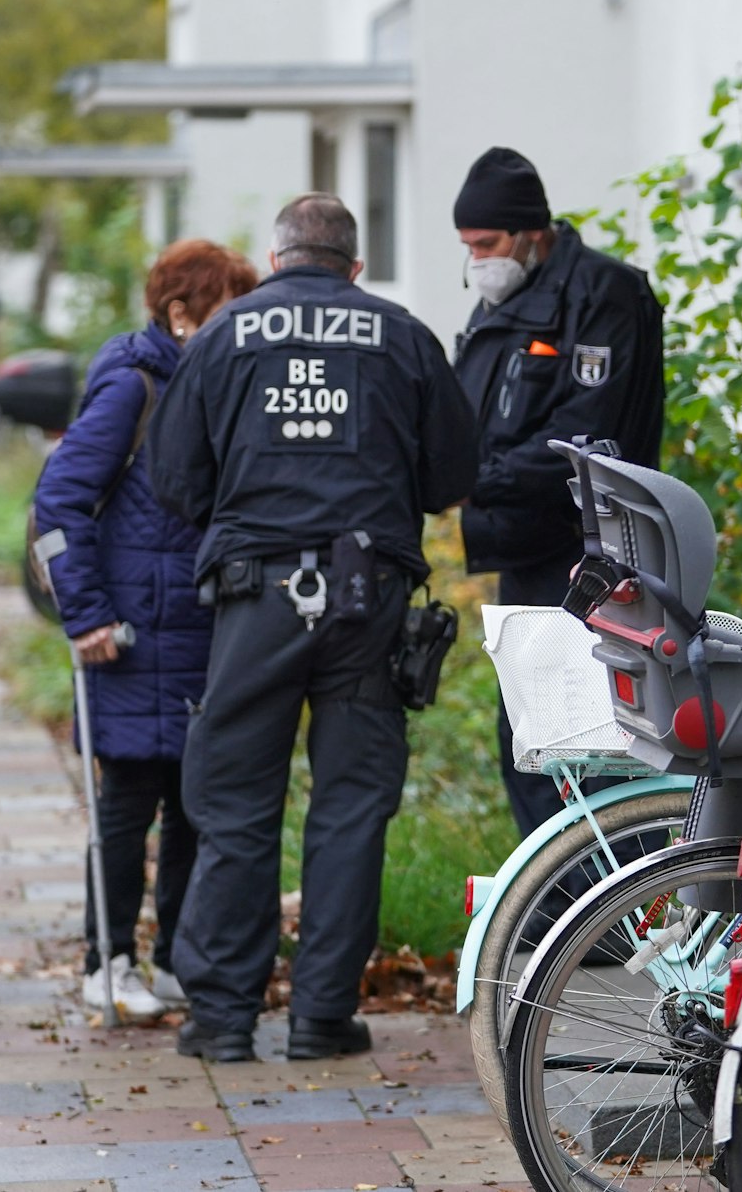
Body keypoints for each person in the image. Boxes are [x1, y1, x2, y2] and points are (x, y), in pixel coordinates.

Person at [147, 195, 477, 1064]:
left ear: (278, 258)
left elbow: (174, 479)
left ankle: (221, 1019)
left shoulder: (225, 337)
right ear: (354, 268)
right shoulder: (402, 336)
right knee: (350, 807)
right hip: (367, 603)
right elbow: (452, 473)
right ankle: (322, 1017)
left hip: (256, 600)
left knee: (235, 804)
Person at [33, 239, 259, 1020]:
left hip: (197, 633)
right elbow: (57, 503)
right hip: (130, 635)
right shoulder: (135, 388)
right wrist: (86, 615)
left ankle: (172, 961)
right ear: (180, 312)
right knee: (129, 803)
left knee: (194, 802)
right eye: (228, 307)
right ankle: (108, 960)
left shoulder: (210, 384)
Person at [450, 146, 665, 835]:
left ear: (530, 231)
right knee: (531, 741)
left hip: (591, 559)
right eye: (468, 246)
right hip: (525, 554)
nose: (477, 259)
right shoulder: (502, 305)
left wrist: (467, 480)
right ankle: (558, 921)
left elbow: (584, 442)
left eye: (486, 243)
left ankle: (602, 922)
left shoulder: (603, 296)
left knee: (589, 745)